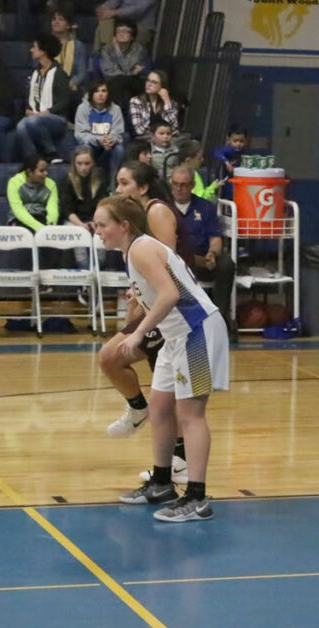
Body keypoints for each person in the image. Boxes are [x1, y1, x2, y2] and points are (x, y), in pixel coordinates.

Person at [97, 194, 227, 521]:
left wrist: (138, 333)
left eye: (102, 224)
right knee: (159, 407)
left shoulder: (141, 248)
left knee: (191, 415)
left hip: (196, 330)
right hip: (175, 335)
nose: (97, 230)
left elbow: (169, 294)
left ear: (123, 226)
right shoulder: (133, 251)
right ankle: (161, 482)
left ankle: (197, 497)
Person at [98, 161, 193, 483]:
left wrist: (139, 322)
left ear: (142, 188)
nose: (118, 189)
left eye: (124, 183)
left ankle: (175, 454)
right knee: (160, 389)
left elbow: (166, 270)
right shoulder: (133, 227)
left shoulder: (157, 212)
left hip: (177, 311)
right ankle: (173, 455)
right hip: (158, 307)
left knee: (116, 359)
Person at [169, 165, 233, 327]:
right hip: (173, 260)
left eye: (183, 184)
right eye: (175, 183)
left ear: (191, 185)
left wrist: (212, 253)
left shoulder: (206, 207)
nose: (179, 188)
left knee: (226, 263)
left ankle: (220, 318)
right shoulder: (162, 208)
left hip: (200, 259)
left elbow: (215, 238)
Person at [15, 33, 71, 163]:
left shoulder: (59, 73)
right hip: (35, 117)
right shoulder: (33, 72)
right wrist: (28, 109)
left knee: (34, 121)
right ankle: (33, 160)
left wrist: (46, 112)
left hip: (56, 118)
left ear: (43, 51)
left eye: (34, 47)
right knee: (21, 126)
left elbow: (64, 101)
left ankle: (51, 152)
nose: (31, 50)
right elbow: (29, 97)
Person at [74, 78, 125, 183]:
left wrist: (110, 140)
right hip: (91, 145)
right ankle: (87, 183)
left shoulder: (115, 109)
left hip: (109, 146)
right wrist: (98, 140)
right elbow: (81, 134)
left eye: (103, 91)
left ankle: (113, 185)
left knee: (119, 150)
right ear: (91, 94)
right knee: (85, 149)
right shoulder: (83, 108)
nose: (100, 94)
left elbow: (118, 132)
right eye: (97, 91)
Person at [99, 18, 147, 110]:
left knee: (122, 81)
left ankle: (113, 113)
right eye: (118, 31)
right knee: (124, 93)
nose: (121, 34)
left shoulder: (138, 49)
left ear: (132, 36)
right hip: (113, 82)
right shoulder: (107, 49)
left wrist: (117, 51)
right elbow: (108, 72)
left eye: (125, 32)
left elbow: (126, 68)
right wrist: (131, 73)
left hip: (134, 83)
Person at [60, 145, 107, 230]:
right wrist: (80, 224)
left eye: (87, 163)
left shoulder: (100, 178)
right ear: (74, 163)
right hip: (73, 221)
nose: (83, 168)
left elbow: (103, 204)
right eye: (79, 164)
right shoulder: (67, 180)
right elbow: (67, 209)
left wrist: (95, 221)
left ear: (93, 163)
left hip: (95, 220)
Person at [7, 154, 58, 232]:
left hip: (41, 217)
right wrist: (39, 228)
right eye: (41, 171)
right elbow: (17, 209)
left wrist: (50, 226)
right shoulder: (14, 182)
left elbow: (52, 208)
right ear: (29, 172)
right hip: (18, 219)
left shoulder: (51, 184)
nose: (46, 173)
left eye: (46, 170)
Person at [128, 70, 179, 140]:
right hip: (145, 140)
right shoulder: (136, 101)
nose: (148, 84)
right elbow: (139, 130)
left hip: (166, 139)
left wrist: (167, 102)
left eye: (154, 82)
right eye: (148, 80)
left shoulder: (171, 103)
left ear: (162, 86)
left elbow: (174, 126)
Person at [51, 8, 88, 99]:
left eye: (61, 19)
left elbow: (82, 72)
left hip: (70, 85)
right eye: (54, 19)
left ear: (68, 26)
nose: (56, 22)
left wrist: (70, 83)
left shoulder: (78, 46)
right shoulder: (45, 44)